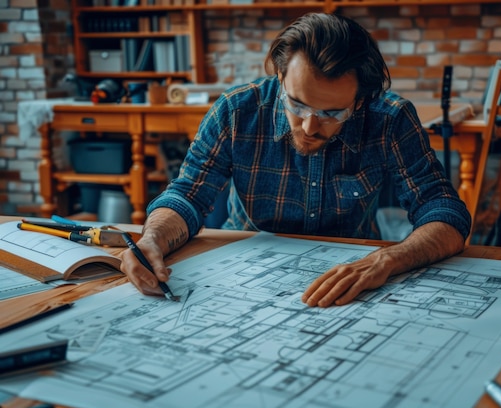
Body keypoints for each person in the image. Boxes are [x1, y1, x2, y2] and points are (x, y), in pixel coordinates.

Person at [120, 12, 472, 308]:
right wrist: (152, 238)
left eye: (332, 113)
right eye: (297, 104)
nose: (309, 126)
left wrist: (387, 259)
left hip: (348, 280)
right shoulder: (236, 111)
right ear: (280, 75)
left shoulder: (390, 118)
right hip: (242, 275)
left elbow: (444, 211)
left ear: (360, 101)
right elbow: (188, 195)